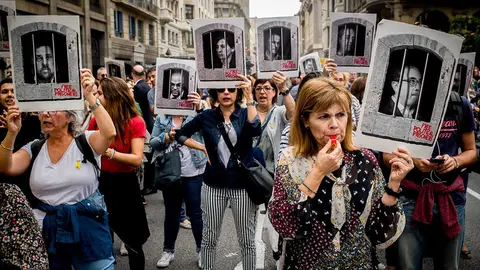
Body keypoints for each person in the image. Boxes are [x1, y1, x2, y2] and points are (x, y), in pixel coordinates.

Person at [269, 77, 413, 269]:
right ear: (305, 121)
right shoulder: (290, 160)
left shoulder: (365, 159)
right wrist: (318, 172)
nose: (334, 124)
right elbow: (285, 225)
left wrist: (394, 184)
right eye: (323, 116)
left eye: (340, 115)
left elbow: (378, 233)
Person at [0, 69, 117, 269]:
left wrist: (90, 96)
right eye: (43, 110)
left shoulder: (86, 142)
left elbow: (109, 133)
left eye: (54, 110)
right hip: (48, 232)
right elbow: (6, 167)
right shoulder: (35, 148)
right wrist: (11, 134)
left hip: (89, 230)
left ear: (70, 116)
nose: (46, 114)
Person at [174, 74, 260, 270]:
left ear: (237, 92)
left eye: (231, 89)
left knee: (246, 239)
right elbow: (180, 134)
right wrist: (200, 147)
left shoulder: (246, 114)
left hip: (241, 187)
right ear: (215, 93)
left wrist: (250, 96)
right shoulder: (207, 117)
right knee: (209, 238)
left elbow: (255, 130)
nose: (226, 92)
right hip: (213, 186)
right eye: (221, 90)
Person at [385, 91, 477, 270]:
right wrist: (412, 160)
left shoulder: (459, 104)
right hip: (409, 199)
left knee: (449, 265)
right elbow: (386, 156)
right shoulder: (400, 105)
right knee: (408, 265)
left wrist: (455, 161)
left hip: (451, 198)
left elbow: (472, 151)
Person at [87, 76, 150, 270]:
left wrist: (111, 153)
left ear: (113, 96)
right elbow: (86, 143)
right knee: (103, 236)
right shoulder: (97, 120)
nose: (97, 97)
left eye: (100, 94)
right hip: (102, 181)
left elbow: (137, 158)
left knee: (133, 241)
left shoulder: (135, 122)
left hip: (125, 184)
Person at [151, 92, 206, 268]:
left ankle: (201, 251)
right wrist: (166, 137)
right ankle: (168, 251)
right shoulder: (162, 117)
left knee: (196, 213)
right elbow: (152, 142)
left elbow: (210, 130)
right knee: (172, 213)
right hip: (170, 172)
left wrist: (199, 108)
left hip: (194, 170)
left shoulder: (196, 114)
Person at [132, 65, 154, 133]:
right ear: (144, 74)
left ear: (132, 74)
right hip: (150, 121)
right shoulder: (147, 86)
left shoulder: (137, 88)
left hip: (143, 123)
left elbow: (136, 108)